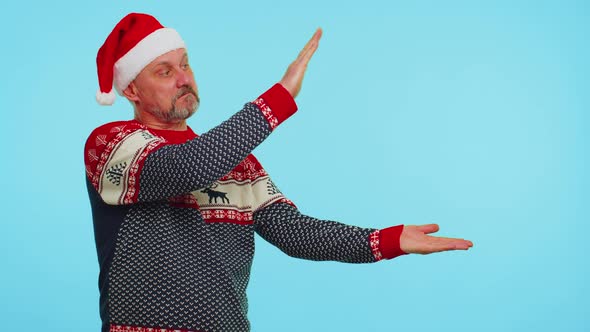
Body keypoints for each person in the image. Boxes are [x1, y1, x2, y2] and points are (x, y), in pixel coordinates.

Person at [85, 12, 473, 332]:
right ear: (132, 91)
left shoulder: (238, 163)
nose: (185, 78)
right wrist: (279, 99)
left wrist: (387, 240)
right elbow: (184, 166)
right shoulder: (113, 145)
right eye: (164, 72)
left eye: (185, 64)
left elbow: (297, 233)